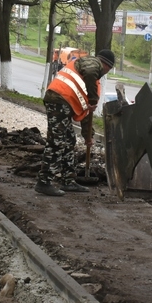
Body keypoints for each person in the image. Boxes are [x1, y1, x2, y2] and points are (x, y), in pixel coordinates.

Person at [36, 49, 116, 196]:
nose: (106, 72)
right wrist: (93, 99)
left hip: (63, 103)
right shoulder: (92, 64)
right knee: (57, 142)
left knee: (69, 140)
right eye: (108, 69)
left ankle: (68, 181)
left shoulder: (91, 82)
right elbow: (91, 74)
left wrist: (88, 137)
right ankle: (44, 182)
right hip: (58, 99)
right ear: (106, 65)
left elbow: (86, 114)